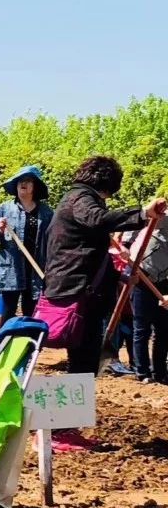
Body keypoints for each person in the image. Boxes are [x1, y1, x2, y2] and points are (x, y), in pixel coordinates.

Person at [44, 156, 165, 376]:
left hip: (83, 290)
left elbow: (92, 253)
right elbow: (97, 219)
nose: (108, 198)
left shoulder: (76, 199)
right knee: (83, 358)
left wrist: (118, 277)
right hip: (76, 290)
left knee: (86, 358)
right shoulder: (80, 198)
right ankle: (77, 405)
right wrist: (142, 214)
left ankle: (80, 402)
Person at [0, 166, 54, 327]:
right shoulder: (5, 208)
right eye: (20, 181)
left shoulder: (46, 212)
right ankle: (1, 345)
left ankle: (27, 347)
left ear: (34, 187)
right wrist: (0, 229)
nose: (23, 184)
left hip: (35, 268)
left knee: (30, 311)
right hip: (11, 269)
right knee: (9, 309)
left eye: (28, 181)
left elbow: (53, 239)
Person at [122, 216, 168, 383]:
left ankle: (160, 372)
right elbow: (137, 220)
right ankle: (142, 372)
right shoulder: (161, 216)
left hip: (165, 280)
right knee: (142, 327)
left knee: (164, 329)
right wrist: (124, 247)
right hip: (142, 275)